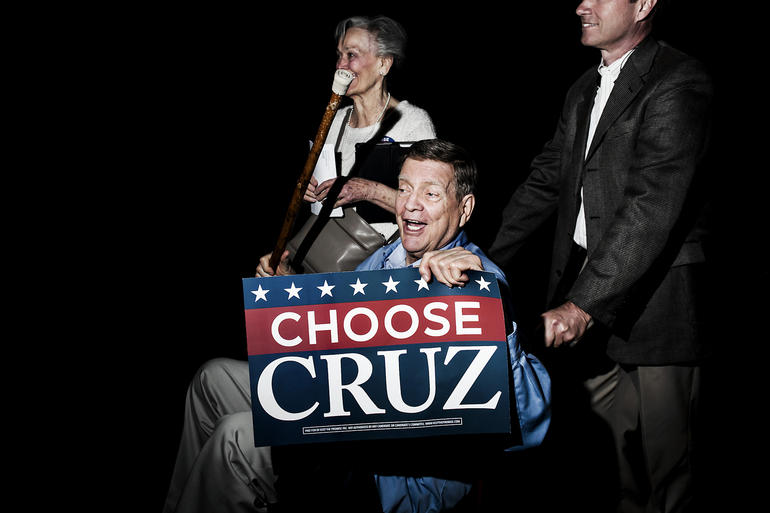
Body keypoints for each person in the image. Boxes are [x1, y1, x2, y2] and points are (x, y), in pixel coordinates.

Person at [164, 139, 551, 513]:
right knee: (212, 379)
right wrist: (287, 292)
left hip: (394, 473)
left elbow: (529, 427)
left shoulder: (478, 281)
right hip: (345, 422)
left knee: (238, 436)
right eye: (403, 189)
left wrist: (492, 320)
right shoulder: (385, 259)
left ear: (464, 209)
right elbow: (334, 351)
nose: (410, 205)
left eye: (431, 194)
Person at [487, 1, 713, 512]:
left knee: (668, 470)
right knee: (613, 466)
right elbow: (545, 180)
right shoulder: (584, 87)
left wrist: (580, 307)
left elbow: (651, 206)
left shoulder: (679, 80)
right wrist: (484, 258)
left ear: (643, 5)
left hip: (659, 305)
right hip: (591, 299)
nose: (580, 5)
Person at [302, 15, 436, 245]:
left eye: (351, 55)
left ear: (383, 63)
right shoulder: (335, 121)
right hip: (333, 249)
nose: (340, 66)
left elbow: (432, 207)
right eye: (339, 56)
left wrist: (367, 190)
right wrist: (310, 189)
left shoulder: (413, 122)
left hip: (387, 260)